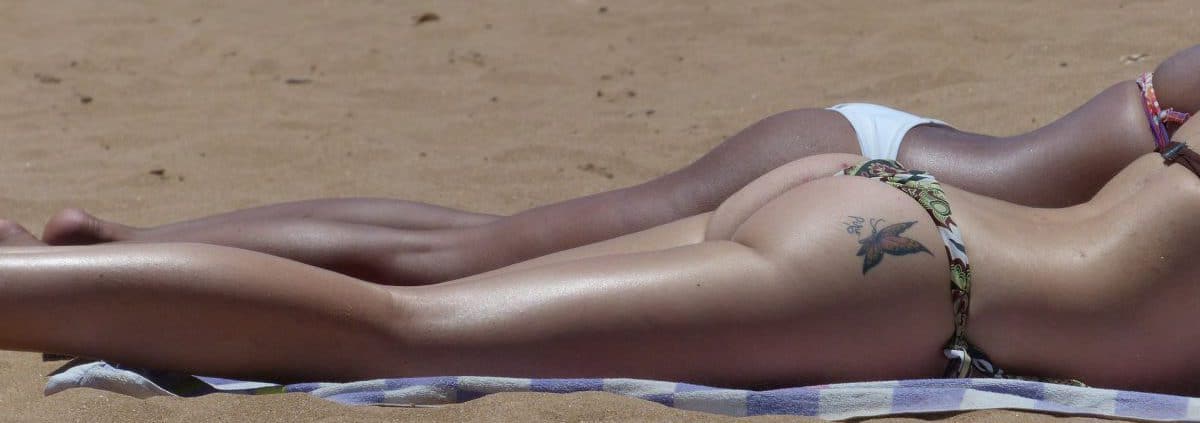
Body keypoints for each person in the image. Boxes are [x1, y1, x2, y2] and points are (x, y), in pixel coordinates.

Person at [4, 116, 1200, 395]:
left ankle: (65, 279)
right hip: (897, 278)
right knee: (405, 332)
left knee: (435, 290)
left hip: (887, 212)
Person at [38, 46, 1200, 286]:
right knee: (464, 257)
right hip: (863, 165)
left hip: (886, 154)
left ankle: (145, 242)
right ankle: (136, 252)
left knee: (473, 244)